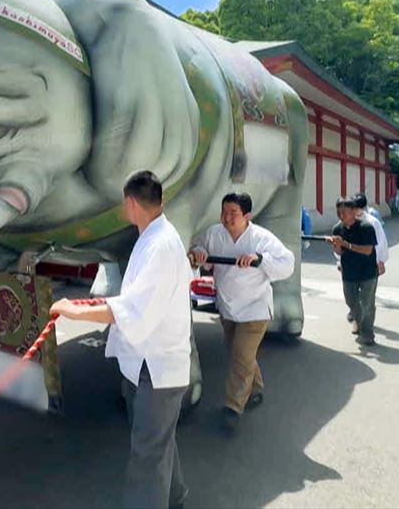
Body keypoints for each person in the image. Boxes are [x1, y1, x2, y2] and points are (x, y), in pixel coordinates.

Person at [50, 171, 190, 509]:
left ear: (129, 203)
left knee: (147, 452)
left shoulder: (160, 245)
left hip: (157, 367)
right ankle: (176, 495)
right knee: (158, 440)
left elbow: (130, 310)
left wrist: (72, 310)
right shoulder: (152, 236)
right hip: (145, 361)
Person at [188, 192, 294, 432]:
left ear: (247, 215)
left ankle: (233, 407)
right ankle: (255, 388)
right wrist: (198, 254)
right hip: (227, 307)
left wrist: (260, 259)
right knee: (240, 354)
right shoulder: (214, 233)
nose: (227, 218)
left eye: (233, 213)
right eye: (224, 212)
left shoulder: (261, 238)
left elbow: (287, 263)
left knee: (240, 356)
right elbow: (197, 251)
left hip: (255, 308)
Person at [327, 197, 379, 346]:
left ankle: (368, 334)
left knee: (368, 303)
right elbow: (339, 252)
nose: (341, 215)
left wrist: (346, 244)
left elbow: (368, 250)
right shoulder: (337, 229)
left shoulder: (366, 227)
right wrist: (336, 245)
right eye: (338, 212)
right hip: (349, 272)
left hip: (367, 272)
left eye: (344, 212)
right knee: (351, 301)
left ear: (354, 212)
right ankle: (358, 320)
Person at [352, 193, 388, 277]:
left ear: (363, 207)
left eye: (358, 207)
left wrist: (381, 260)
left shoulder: (373, 222)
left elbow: (381, 242)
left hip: (370, 263)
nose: (356, 210)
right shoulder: (348, 221)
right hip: (352, 264)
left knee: (368, 288)